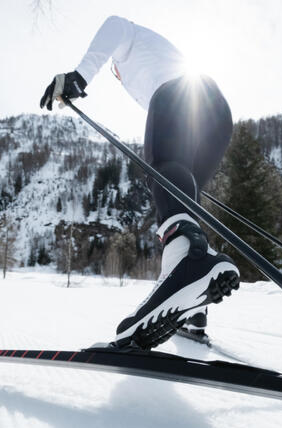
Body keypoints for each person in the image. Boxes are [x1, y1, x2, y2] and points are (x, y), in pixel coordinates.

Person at [40, 15, 239, 349]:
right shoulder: (153, 64)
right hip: (217, 116)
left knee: (162, 169)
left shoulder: (129, 43)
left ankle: (188, 263)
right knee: (184, 199)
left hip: (179, 94)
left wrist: (79, 76)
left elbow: (115, 25)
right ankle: (194, 306)